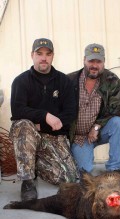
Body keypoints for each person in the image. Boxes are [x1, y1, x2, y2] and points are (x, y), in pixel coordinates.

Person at [10, 38, 79, 201]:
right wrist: (45, 116)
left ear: (52, 56)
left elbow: (70, 113)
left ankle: (33, 162)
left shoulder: (64, 81)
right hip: (29, 133)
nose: (43, 58)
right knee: (23, 125)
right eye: (39, 53)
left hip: (54, 136)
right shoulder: (21, 81)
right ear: (32, 55)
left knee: (69, 178)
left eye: (48, 54)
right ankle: (27, 180)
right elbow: (18, 110)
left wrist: (42, 126)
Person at [68, 43, 120, 173]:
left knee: (119, 123)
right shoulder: (70, 80)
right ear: (84, 60)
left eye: (98, 61)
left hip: (100, 131)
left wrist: (96, 126)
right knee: (85, 172)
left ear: (104, 62)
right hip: (79, 137)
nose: (94, 65)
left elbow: (118, 108)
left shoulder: (111, 80)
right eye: (91, 61)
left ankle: (115, 169)